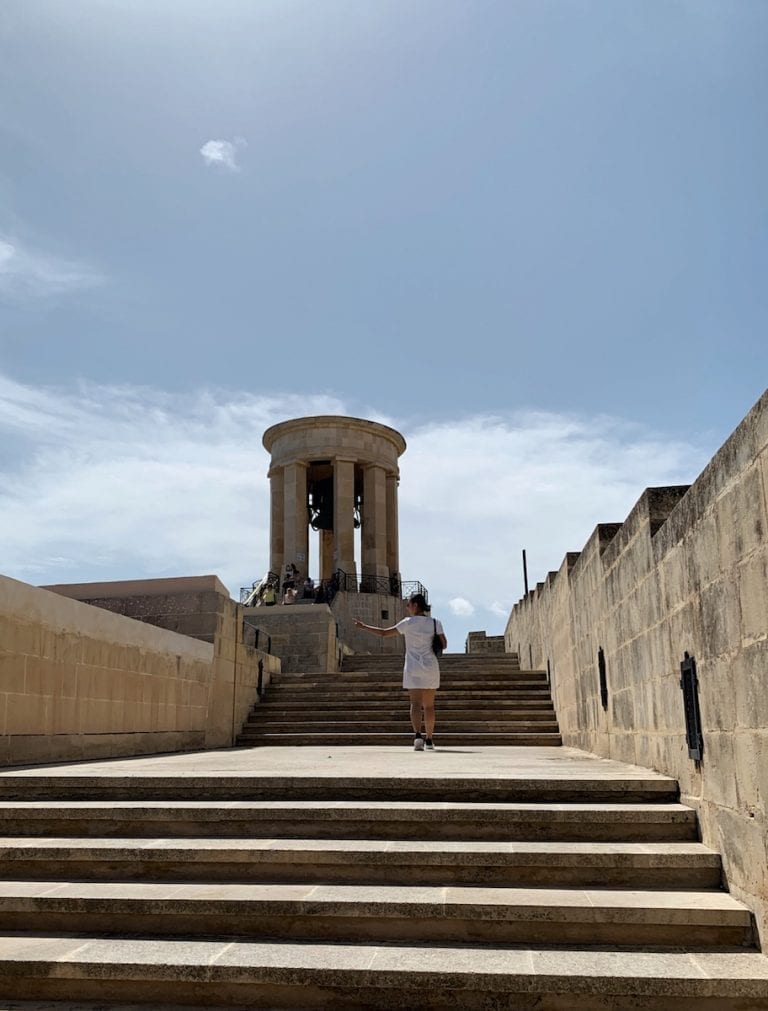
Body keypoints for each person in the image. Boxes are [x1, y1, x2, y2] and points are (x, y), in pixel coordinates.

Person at [354, 592, 447, 751]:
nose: (407, 607)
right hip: (430, 666)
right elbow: (444, 644)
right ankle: (430, 740)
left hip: (413, 667)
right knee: (429, 706)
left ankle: (418, 737)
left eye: (409, 604)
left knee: (415, 703)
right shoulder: (435, 623)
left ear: (415, 605)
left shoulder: (408, 623)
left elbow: (384, 633)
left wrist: (364, 627)